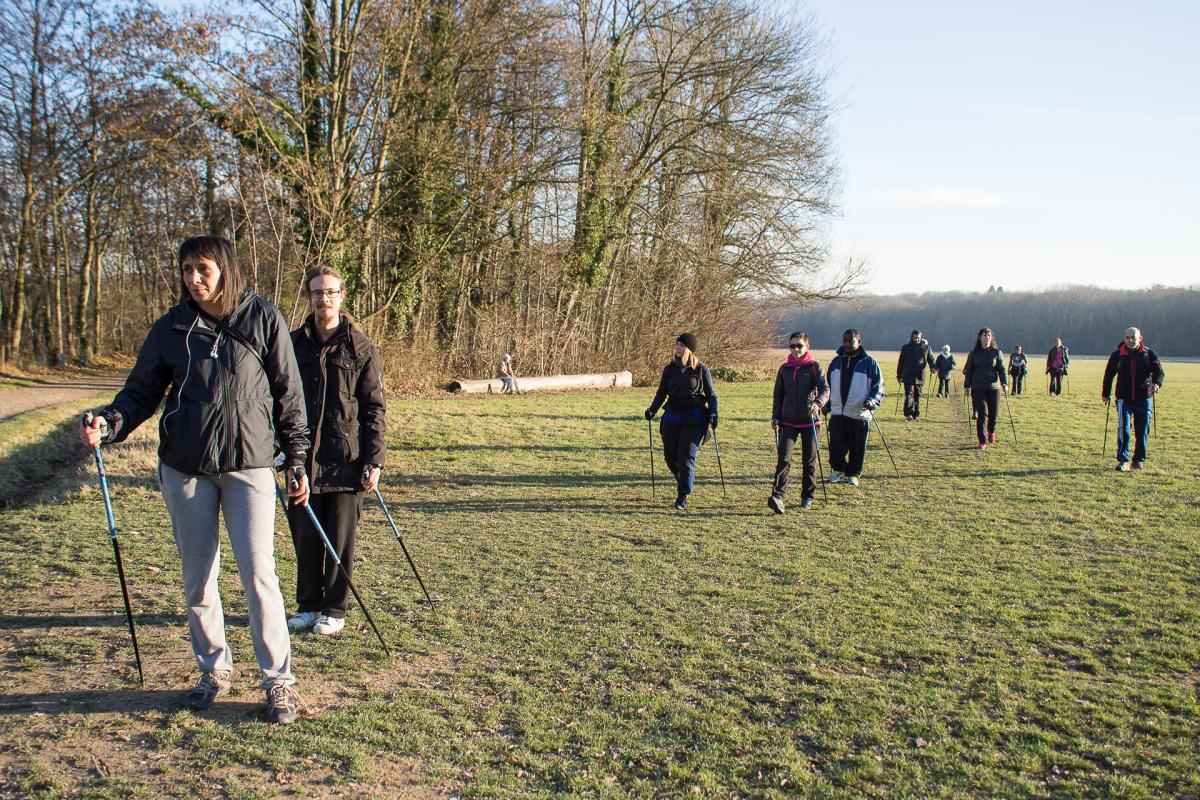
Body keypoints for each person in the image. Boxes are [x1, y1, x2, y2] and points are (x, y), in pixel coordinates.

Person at [76, 235, 308, 724]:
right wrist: (109, 422)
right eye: (186, 270)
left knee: (259, 575)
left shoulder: (261, 317)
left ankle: (278, 682)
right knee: (198, 577)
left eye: (203, 269)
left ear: (225, 269)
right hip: (185, 468)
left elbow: (289, 393)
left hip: (249, 465)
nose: (194, 279)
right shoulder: (171, 327)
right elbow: (139, 394)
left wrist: (297, 458)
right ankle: (213, 672)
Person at [286, 266, 387, 636]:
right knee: (306, 537)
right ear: (309, 297)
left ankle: (335, 609)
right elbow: (278, 400)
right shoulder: (292, 344)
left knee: (340, 540)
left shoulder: (362, 348)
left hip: (347, 459)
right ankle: (308, 605)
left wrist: (374, 460)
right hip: (302, 459)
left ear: (341, 296)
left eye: (330, 292)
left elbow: (374, 409)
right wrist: (282, 451)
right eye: (317, 292)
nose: (323, 299)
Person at [645, 333, 718, 510]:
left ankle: (682, 495)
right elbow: (661, 392)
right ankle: (684, 480)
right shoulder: (669, 369)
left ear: (689, 349)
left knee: (685, 456)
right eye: (677, 344)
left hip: (694, 416)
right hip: (672, 415)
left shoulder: (701, 369)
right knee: (670, 457)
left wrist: (713, 414)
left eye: (681, 345)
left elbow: (711, 395)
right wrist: (652, 409)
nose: (677, 348)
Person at [769, 331, 830, 514]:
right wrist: (775, 416)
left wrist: (818, 403)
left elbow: (825, 389)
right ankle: (778, 497)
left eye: (799, 345)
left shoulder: (814, 367)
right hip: (787, 422)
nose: (796, 349)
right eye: (792, 346)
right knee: (783, 460)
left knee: (809, 461)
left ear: (807, 347)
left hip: (810, 421)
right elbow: (778, 395)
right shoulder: (784, 369)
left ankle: (807, 497)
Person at [824, 329, 883, 486]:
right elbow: (828, 386)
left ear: (859, 342)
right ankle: (838, 470)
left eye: (851, 341)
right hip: (837, 412)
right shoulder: (836, 362)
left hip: (859, 413)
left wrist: (871, 402)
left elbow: (878, 387)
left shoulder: (870, 363)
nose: (847, 344)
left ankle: (854, 473)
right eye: (845, 341)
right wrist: (827, 404)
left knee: (857, 448)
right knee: (836, 446)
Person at [1101, 326, 1164, 472]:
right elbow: (1109, 374)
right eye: (1128, 338)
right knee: (1124, 428)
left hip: (1144, 398)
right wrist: (1106, 393)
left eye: (1133, 338)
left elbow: (1159, 372)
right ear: (1124, 338)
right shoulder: (1117, 355)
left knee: (1142, 430)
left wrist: (1156, 384)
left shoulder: (1149, 354)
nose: (1130, 340)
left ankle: (1138, 459)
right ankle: (1123, 461)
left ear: (1140, 339)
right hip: (1123, 399)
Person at [963, 327, 1007, 449]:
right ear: (980, 338)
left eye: (988, 335)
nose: (987, 337)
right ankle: (982, 441)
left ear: (991, 338)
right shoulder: (973, 354)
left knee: (994, 415)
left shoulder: (997, 352)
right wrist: (967, 386)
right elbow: (969, 371)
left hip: (994, 387)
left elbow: (1002, 369)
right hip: (978, 387)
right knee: (982, 414)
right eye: (984, 335)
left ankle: (991, 431)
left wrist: (1004, 383)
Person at [896, 329, 936, 419]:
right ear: (912, 338)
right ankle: (909, 413)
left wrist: (933, 367)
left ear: (921, 338)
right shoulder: (906, 348)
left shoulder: (926, 348)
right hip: (908, 374)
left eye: (918, 338)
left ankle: (916, 413)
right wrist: (899, 375)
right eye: (914, 338)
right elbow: (901, 362)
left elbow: (931, 359)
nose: (916, 339)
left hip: (920, 375)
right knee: (909, 394)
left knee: (917, 395)